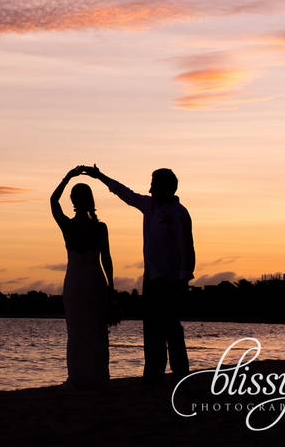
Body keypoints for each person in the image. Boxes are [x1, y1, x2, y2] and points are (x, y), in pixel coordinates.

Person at [81, 164, 195, 383]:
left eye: (154, 184)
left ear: (165, 187)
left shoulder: (179, 213)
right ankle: (153, 373)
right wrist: (100, 176)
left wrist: (184, 278)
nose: (150, 189)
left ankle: (181, 373)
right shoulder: (149, 206)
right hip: (151, 279)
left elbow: (187, 247)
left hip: (172, 281)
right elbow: (125, 193)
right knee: (152, 329)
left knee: (171, 327)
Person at [50, 166, 115, 389]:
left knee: (77, 330)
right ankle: (97, 376)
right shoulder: (99, 227)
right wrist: (111, 287)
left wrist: (68, 176)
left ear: (74, 201)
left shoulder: (69, 226)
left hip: (77, 281)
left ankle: (79, 377)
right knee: (96, 330)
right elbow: (107, 259)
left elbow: (53, 201)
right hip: (95, 280)